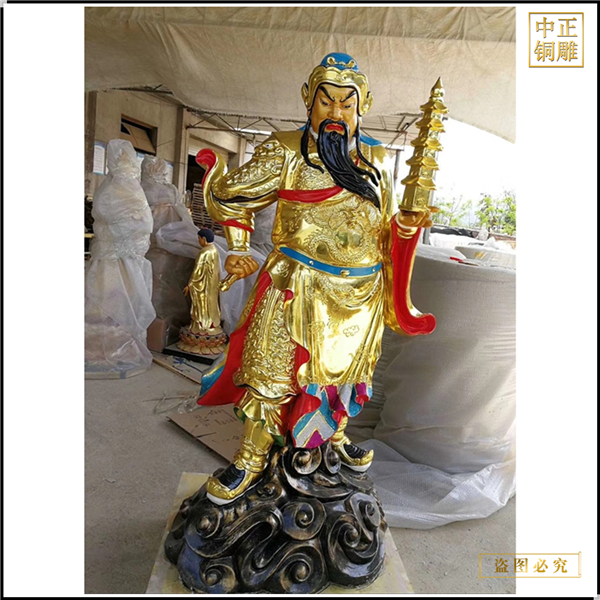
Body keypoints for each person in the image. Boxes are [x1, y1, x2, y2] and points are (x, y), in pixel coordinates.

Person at [196, 53, 436, 505]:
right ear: (308, 99)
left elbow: (385, 225)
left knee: (346, 375)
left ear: (363, 107)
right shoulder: (285, 150)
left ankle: (334, 438)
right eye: (326, 102)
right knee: (270, 372)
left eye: (347, 104)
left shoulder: (377, 159)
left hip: (360, 292)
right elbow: (231, 195)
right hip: (296, 284)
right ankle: (250, 458)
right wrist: (240, 247)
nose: (336, 114)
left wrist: (406, 228)